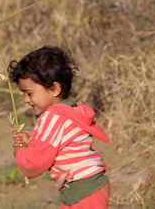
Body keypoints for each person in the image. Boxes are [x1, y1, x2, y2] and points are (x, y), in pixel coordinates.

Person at [8, 45, 110, 208]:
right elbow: (56, 144)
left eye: (29, 93)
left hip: (82, 189)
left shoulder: (53, 117)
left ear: (54, 89)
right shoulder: (70, 111)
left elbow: (35, 164)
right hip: (89, 185)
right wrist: (32, 140)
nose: (26, 100)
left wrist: (20, 152)